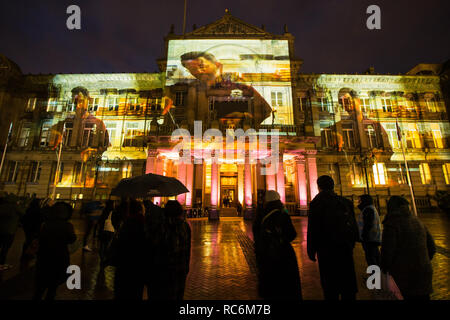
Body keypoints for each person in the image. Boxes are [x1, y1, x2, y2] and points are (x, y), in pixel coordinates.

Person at [178, 51, 272, 125]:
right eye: (192, 69)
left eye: (201, 65)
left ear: (218, 65)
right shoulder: (193, 91)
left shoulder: (239, 86)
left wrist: (244, 118)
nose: (198, 71)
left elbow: (266, 110)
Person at [307, 175, 359, 300]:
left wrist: (311, 249)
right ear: (333, 186)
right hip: (344, 248)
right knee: (347, 282)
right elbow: (354, 228)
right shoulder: (345, 202)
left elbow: (313, 228)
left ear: (318, 186)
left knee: (330, 285)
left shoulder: (316, 203)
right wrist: (350, 244)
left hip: (326, 249)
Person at [380, 196, 436, 300]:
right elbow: (432, 247)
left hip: (404, 275)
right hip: (424, 272)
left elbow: (387, 252)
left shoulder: (392, 224)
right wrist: (422, 261)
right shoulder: (418, 221)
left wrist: (385, 268)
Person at [253, 190, 302, 300]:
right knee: (285, 282)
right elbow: (292, 234)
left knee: (269, 280)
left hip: (266, 253)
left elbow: (256, 233)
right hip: (283, 253)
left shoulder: (261, 213)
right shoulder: (282, 213)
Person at [148, 200, 191, 300]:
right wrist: (186, 266)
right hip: (180, 268)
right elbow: (188, 249)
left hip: (164, 269)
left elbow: (155, 246)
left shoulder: (162, 227)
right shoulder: (185, 227)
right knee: (178, 295)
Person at [34, 202, 76, 300]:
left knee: (39, 288)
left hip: (44, 257)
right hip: (59, 258)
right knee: (52, 288)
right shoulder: (68, 225)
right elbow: (72, 239)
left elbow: (39, 237)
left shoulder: (45, 224)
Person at [113, 199, 146, 300]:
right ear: (140, 210)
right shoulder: (144, 223)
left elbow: (118, 245)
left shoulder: (125, 224)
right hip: (138, 266)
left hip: (123, 266)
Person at [0, 193, 24, 270]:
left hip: (1, 230)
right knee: (5, 248)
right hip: (10, 231)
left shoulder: (2, 206)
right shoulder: (15, 207)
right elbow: (23, 213)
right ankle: (1, 263)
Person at [357, 194, 382, 267]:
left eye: (360, 200)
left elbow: (368, 224)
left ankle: (375, 277)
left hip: (370, 239)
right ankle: (377, 276)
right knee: (375, 258)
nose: (358, 202)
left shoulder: (368, 209)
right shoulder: (370, 208)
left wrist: (364, 236)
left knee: (372, 259)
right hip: (372, 238)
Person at [20, 197, 44, 269]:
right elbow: (41, 220)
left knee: (27, 241)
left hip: (27, 229)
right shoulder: (39, 211)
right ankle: (31, 256)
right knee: (34, 242)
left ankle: (24, 256)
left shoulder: (28, 210)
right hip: (35, 229)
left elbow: (23, 219)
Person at [97, 200, 115, 268]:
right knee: (108, 244)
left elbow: (100, 220)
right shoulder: (113, 212)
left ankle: (102, 258)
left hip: (103, 229)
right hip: (111, 229)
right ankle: (105, 258)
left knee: (102, 244)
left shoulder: (104, 211)